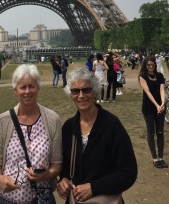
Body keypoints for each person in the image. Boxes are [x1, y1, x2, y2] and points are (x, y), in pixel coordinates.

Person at [57, 67, 137, 202]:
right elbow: (65, 165)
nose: (81, 95)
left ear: (94, 92)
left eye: (86, 90)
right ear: (71, 94)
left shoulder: (111, 125)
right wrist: (63, 179)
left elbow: (128, 172)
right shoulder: (68, 127)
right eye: (75, 91)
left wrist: (94, 187)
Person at [0, 64, 62, 204]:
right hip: (6, 199)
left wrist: (47, 174)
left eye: (31, 86)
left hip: (41, 199)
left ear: (38, 88)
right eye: (23, 87)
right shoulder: (3, 121)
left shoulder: (53, 120)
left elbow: (57, 163)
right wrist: (0, 179)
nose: (27, 91)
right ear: (15, 90)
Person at [139, 56, 167, 168]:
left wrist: (162, 103)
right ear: (145, 65)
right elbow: (148, 92)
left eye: (152, 64)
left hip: (160, 107)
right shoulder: (142, 76)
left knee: (160, 132)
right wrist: (156, 105)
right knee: (151, 132)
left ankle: (161, 157)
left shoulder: (159, 75)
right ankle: (154, 158)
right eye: (148, 65)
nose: (151, 67)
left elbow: (162, 89)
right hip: (149, 107)